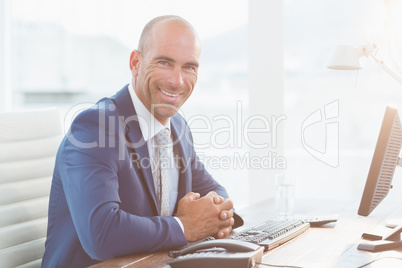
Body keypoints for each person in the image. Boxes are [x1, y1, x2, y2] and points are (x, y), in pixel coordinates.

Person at [42, 15, 242, 267]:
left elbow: (214, 192)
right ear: (135, 63)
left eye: (189, 67)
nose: (177, 80)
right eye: (164, 62)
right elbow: (101, 234)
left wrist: (216, 215)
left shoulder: (178, 127)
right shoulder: (95, 127)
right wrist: (185, 226)